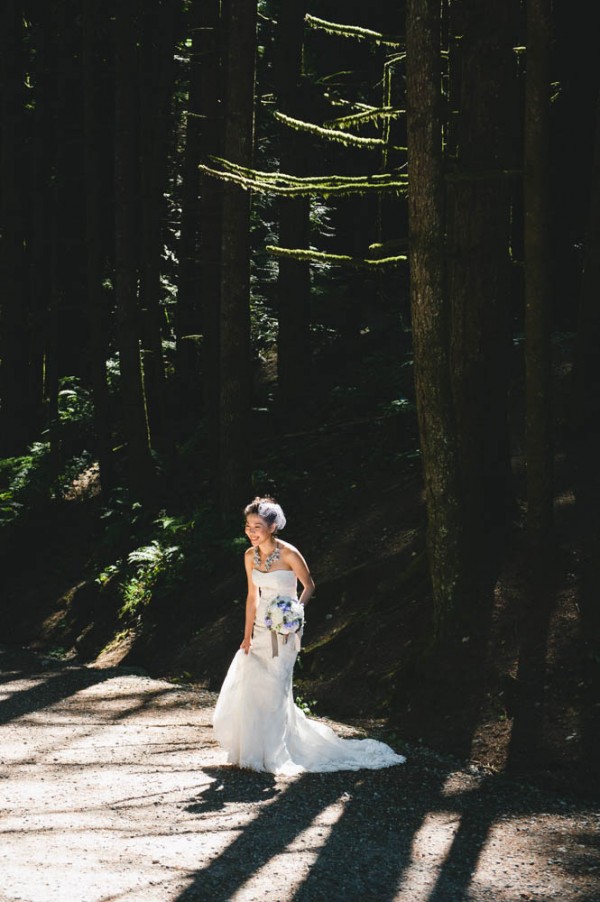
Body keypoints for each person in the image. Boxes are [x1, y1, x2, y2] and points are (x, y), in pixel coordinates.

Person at [212, 496, 406, 775]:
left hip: (286, 630)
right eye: (247, 526)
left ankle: (276, 753)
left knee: (276, 687)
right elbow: (252, 597)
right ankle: (254, 750)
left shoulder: (289, 553)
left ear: (273, 525)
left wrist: (293, 614)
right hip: (259, 631)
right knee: (254, 685)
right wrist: (246, 635)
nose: (251, 531)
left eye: (257, 526)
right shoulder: (248, 556)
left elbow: (309, 586)